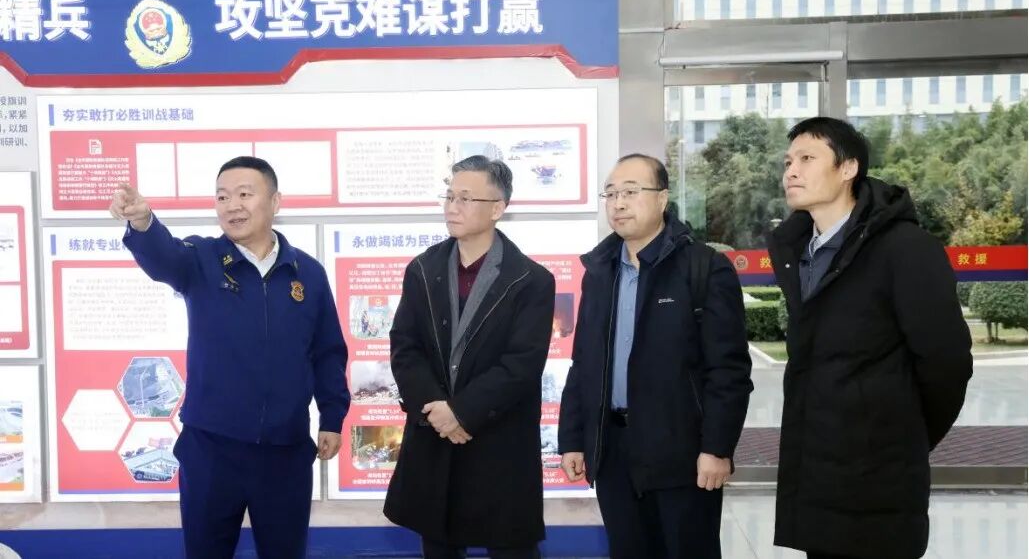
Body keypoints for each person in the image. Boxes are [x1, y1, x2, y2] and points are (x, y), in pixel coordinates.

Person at [110, 156, 350, 559]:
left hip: (285, 450)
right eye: (222, 197)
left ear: (275, 202)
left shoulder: (306, 273)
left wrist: (332, 417)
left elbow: (327, 351)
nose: (232, 206)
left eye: (244, 194)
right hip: (211, 449)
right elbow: (163, 256)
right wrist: (143, 221)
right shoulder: (200, 259)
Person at [767, 117, 972, 559]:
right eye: (787, 162)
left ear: (848, 168)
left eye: (807, 158)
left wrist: (903, 436)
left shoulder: (905, 248)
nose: (791, 171)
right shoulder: (800, 252)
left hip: (881, 485)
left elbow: (947, 363)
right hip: (818, 479)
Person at [558, 154, 753, 559]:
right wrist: (573, 440)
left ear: (662, 198)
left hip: (682, 453)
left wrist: (717, 448)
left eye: (631, 192)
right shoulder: (600, 272)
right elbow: (584, 364)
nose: (618, 203)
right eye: (611, 194)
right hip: (614, 450)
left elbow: (728, 371)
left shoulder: (704, 268)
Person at [384, 155, 555, 559]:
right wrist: (437, 411)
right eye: (449, 196)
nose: (452, 207)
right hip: (436, 438)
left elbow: (522, 364)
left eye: (465, 198)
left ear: (497, 208)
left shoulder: (531, 280)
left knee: (512, 549)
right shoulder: (422, 269)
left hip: (498, 441)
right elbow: (405, 346)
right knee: (438, 545)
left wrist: (461, 412)